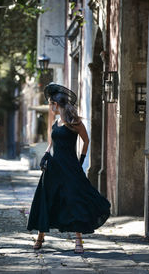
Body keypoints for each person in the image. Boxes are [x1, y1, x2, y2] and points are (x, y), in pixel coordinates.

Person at [27, 83, 110, 254]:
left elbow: (86, 141)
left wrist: (81, 160)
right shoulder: (56, 122)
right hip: (53, 167)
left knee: (73, 200)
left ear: (56, 104)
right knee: (46, 199)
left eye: (51, 103)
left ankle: (78, 241)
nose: (50, 106)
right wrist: (46, 155)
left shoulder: (75, 122)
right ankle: (40, 236)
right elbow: (52, 142)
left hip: (70, 167)